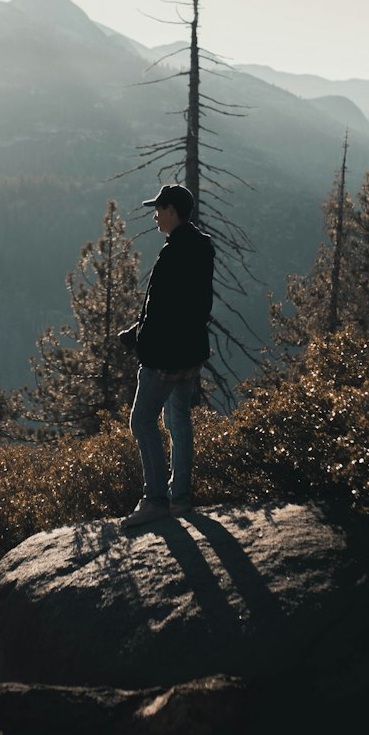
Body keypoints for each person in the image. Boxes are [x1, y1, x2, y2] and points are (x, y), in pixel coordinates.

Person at [119, 183, 214, 525]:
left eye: (159, 208)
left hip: (165, 358)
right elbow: (192, 305)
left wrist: (141, 342)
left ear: (173, 211)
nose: (155, 215)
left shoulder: (172, 253)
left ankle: (156, 499)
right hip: (191, 353)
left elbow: (160, 310)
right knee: (178, 421)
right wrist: (137, 330)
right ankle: (181, 497)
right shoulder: (202, 248)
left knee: (142, 421)